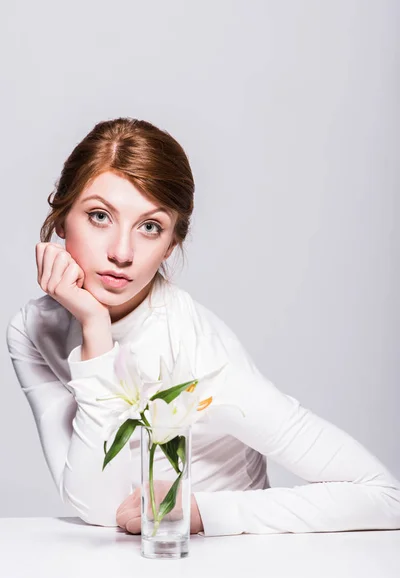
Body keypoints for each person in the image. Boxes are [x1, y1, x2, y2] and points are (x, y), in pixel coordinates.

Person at [6, 117, 400, 537]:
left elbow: (384, 497)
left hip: (228, 566)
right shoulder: (33, 330)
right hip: (123, 571)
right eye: (100, 216)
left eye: (150, 226)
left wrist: (201, 513)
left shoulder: (196, 353)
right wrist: (95, 330)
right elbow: (97, 506)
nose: (122, 252)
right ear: (62, 218)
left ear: (172, 242)